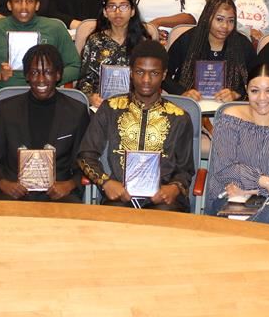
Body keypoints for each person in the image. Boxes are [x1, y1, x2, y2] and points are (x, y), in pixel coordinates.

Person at [78, 40, 195, 212]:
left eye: (154, 73)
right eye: (140, 72)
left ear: (164, 75)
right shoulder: (111, 108)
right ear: (131, 73)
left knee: (165, 215)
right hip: (121, 195)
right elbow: (86, 154)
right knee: (115, 217)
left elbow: (185, 169)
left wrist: (174, 188)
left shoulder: (179, 116)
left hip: (163, 198)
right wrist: (106, 182)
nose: (146, 80)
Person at [204, 62, 269, 222]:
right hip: (231, 194)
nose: (262, 98)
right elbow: (224, 168)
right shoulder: (230, 117)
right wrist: (264, 181)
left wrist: (251, 191)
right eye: (255, 91)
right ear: (247, 89)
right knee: (237, 207)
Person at [0, 45, 91, 203]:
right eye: (35, 72)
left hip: (58, 191)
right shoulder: (7, 108)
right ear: (27, 75)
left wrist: (69, 185)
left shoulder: (77, 111)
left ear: (58, 74)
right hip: (13, 190)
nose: (41, 79)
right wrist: (3, 183)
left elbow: (84, 161)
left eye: (48, 72)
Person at [0, 0, 80, 90]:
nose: (24, 7)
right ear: (9, 5)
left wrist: (53, 76)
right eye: (18, 1)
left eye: (30, 1)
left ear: (37, 5)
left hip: (46, 93)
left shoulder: (55, 28)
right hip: (8, 93)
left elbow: (75, 66)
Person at [165, 0, 257, 102]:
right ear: (207, 18)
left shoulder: (242, 44)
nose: (225, 26)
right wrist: (182, 93)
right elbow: (163, 74)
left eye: (231, 21)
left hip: (230, 107)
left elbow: (257, 79)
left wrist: (236, 93)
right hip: (190, 105)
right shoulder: (188, 40)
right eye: (219, 19)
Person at [77, 0, 152, 108]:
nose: (117, 11)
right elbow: (84, 79)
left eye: (123, 6)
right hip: (100, 104)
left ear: (132, 11)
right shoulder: (95, 41)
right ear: (105, 13)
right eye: (112, 7)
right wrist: (91, 97)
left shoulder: (143, 43)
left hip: (136, 104)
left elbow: (151, 78)